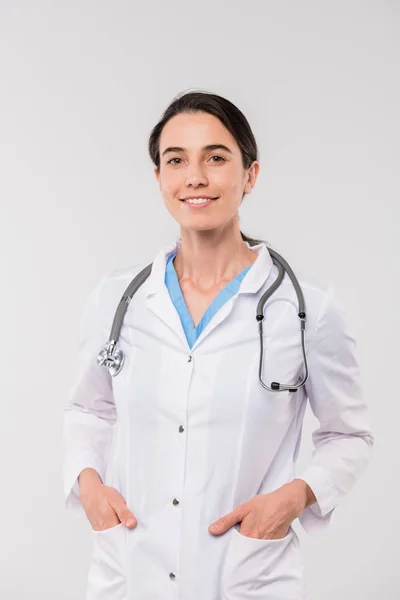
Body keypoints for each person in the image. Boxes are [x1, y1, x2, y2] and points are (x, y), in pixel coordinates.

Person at [63, 90, 374, 599]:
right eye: (176, 160)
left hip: (248, 574)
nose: (195, 177)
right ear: (160, 178)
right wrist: (89, 485)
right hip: (131, 570)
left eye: (216, 158)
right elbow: (88, 409)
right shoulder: (117, 298)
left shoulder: (308, 307)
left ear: (250, 174)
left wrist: (294, 498)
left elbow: (349, 435)